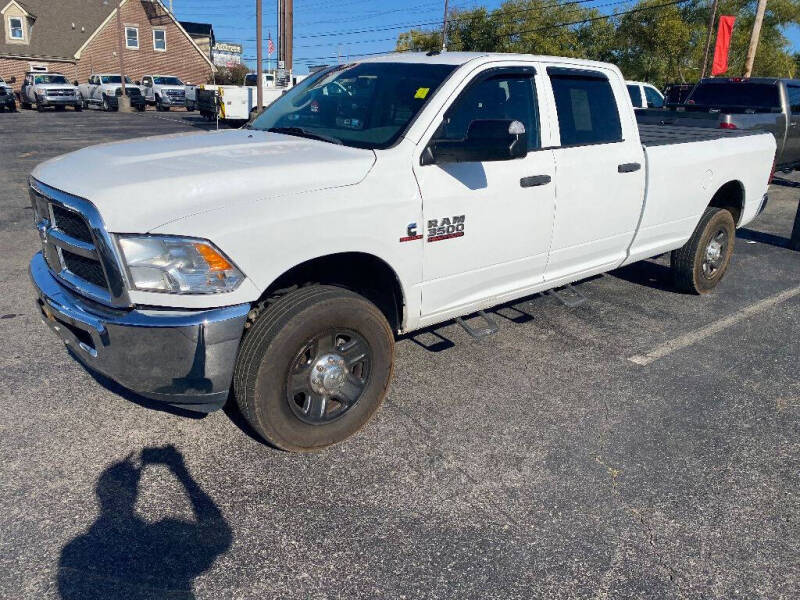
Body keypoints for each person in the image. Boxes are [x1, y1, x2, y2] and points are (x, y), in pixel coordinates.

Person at [58, 446, 232, 599]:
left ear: (99, 493)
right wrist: (181, 472)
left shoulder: (77, 551)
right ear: (135, 494)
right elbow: (218, 536)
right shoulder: (165, 538)